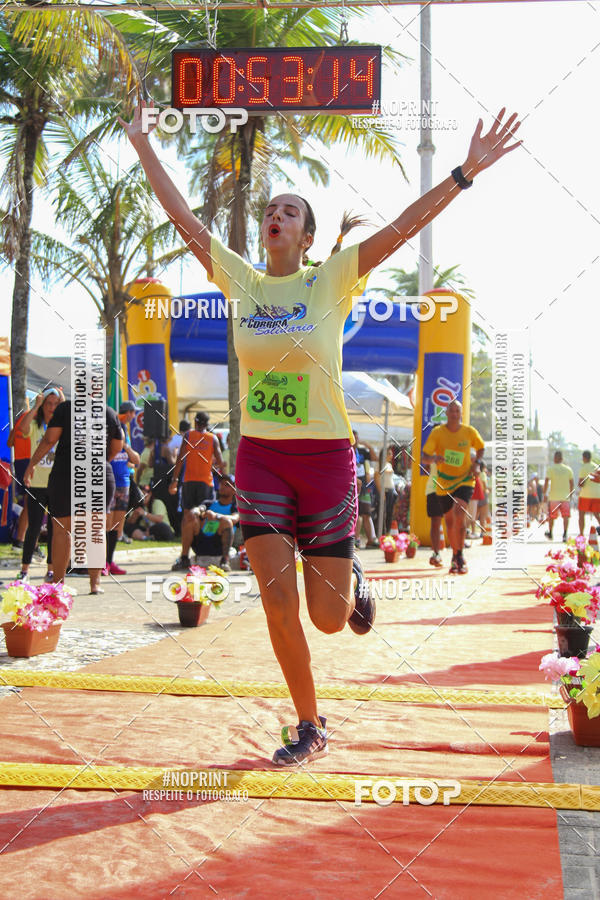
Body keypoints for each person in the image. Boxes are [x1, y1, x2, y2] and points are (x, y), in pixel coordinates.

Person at [121, 99, 521, 764]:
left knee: (328, 618)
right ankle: (310, 724)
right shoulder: (241, 281)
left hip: (327, 458)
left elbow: (398, 229)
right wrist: (142, 146)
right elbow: (183, 218)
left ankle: (350, 577)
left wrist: (464, 173)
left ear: (307, 237)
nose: (276, 216)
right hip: (262, 463)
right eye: (270, 210)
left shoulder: (331, 279)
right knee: (277, 602)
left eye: (290, 212)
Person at [23, 401, 124, 594]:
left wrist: (32, 464)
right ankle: (95, 584)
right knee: (95, 530)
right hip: (98, 472)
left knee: (62, 530)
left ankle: (58, 585)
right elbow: (117, 446)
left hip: (66, 472)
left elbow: (49, 439)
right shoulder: (108, 413)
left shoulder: (66, 408)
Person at [422, 400, 485, 574]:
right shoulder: (437, 433)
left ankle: (460, 555)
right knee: (449, 522)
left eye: (458, 411)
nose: (455, 414)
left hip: (465, 480)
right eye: (452, 411)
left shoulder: (469, 432)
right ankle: (455, 555)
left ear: (461, 413)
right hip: (443, 482)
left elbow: (481, 447)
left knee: (460, 512)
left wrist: (477, 463)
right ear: (447, 413)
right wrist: (434, 459)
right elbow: (425, 456)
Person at [15, 388, 63, 581]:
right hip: (36, 483)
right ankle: (25, 570)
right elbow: (22, 429)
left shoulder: (62, 425)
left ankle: (50, 570)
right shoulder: (36, 424)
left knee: (54, 529)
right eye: (48, 404)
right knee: (33, 527)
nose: (51, 408)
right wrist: (35, 406)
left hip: (56, 483)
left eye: (55, 404)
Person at [169, 411, 223, 571]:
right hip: (206, 483)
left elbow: (180, 459)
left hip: (189, 482)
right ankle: (198, 551)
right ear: (207, 423)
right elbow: (220, 461)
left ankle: (185, 555)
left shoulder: (188, 436)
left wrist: (174, 480)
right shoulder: (212, 439)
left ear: (195, 422)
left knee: (188, 517)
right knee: (203, 516)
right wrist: (210, 466)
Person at [105, 401, 140, 576]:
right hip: (110, 480)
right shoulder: (110, 426)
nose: (133, 417)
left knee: (117, 526)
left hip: (124, 481)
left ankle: (110, 561)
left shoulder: (124, 430)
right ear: (129, 413)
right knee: (106, 523)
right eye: (133, 414)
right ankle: (102, 562)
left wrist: (126, 447)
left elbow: (136, 459)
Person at [190, 474, 239, 571]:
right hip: (202, 541)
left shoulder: (235, 506)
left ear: (234, 490)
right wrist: (198, 512)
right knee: (189, 518)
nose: (222, 487)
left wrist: (216, 516)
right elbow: (200, 509)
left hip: (220, 544)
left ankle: (225, 560)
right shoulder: (209, 503)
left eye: (227, 485)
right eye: (221, 484)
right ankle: (183, 558)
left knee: (227, 521)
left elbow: (234, 519)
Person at [7, 407, 32, 549]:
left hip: (21, 461)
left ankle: (21, 540)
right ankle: (24, 541)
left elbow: (9, 443)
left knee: (30, 503)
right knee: (32, 503)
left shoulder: (22, 416)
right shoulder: (33, 417)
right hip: (29, 461)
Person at [353, 432, 379, 548]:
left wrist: (369, 446)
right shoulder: (346, 451)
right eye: (354, 438)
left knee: (367, 513)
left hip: (364, 487)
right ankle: (356, 540)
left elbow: (375, 458)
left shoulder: (362, 451)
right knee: (356, 514)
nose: (356, 440)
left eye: (357, 438)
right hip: (352, 486)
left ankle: (370, 540)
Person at [543, 450, 574, 542]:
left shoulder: (551, 469)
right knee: (565, 516)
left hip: (554, 497)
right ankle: (565, 534)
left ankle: (551, 533)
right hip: (565, 497)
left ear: (555, 458)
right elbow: (571, 483)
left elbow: (546, 481)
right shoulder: (568, 469)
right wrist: (570, 494)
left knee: (552, 516)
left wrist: (544, 493)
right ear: (562, 458)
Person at [425, 462, 444, 568]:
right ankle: (436, 554)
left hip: (452, 489)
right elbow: (425, 464)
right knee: (436, 522)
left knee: (454, 522)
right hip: (434, 489)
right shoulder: (431, 448)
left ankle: (457, 555)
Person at [577, 450, 600, 535]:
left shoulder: (584, 467)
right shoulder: (596, 467)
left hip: (586, 495)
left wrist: (580, 484)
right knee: (597, 514)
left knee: (581, 514)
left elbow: (581, 483)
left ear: (584, 458)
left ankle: (581, 534)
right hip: (597, 494)